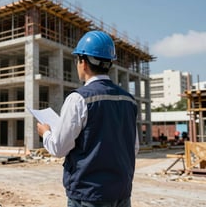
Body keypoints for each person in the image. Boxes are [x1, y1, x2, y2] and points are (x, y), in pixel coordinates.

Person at [37, 30, 139, 207]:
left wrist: (46, 133)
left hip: (88, 195)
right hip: (121, 193)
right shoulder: (129, 100)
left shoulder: (79, 99)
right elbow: (134, 147)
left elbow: (58, 148)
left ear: (83, 62)